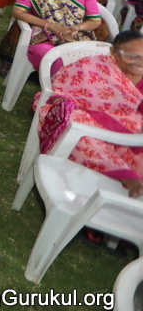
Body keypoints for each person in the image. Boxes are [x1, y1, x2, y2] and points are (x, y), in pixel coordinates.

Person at [35, 31, 143, 198]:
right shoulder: (89, 66)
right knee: (73, 124)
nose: (139, 63)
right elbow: (60, 92)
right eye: (132, 57)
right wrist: (67, 105)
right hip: (85, 120)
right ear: (113, 51)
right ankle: (126, 177)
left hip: (127, 129)